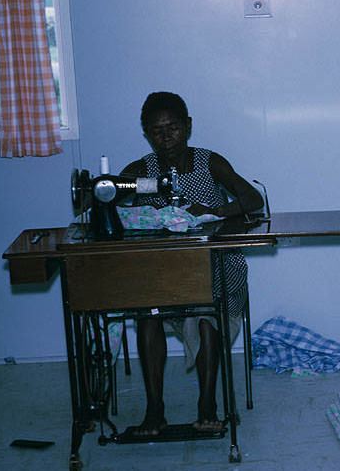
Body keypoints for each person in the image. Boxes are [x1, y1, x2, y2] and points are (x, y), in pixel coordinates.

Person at [120, 91, 264, 436]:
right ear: (146, 134)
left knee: (206, 312)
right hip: (166, 270)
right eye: (156, 131)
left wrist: (215, 212)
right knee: (147, 315)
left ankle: (208, 405)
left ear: (188, 126)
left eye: (173, 128)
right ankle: (155, 411)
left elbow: (252, 198)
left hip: (216, 264)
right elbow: (105, 196)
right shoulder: (142, 170)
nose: (166, 137)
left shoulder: (209, 162)